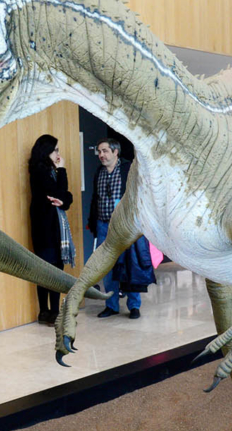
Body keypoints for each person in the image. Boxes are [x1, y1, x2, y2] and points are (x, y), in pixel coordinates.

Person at [87, 138, 154, 319]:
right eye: (99, 151)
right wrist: (92, 221)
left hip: (125, 225)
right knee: (106, 267)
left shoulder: (127, 169)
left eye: (105, 151)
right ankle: (112, 305)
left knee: (130, 264)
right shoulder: (99, 173)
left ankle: (134, 306)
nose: (101, 155)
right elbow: (96, 199)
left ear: (116, 152)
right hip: (103, 225)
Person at [27, 134, 75, 326]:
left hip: (47, 225)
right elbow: (59, 193)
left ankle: (46, 312)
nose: (58, 153)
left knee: (47, 269)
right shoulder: (41, 171)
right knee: (53, 269)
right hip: (46, 227)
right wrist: (62, 169)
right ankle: (52, 312)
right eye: (55, 150)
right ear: (46, 151)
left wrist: (64, 199)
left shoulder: (47, 171)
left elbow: (64, 198)